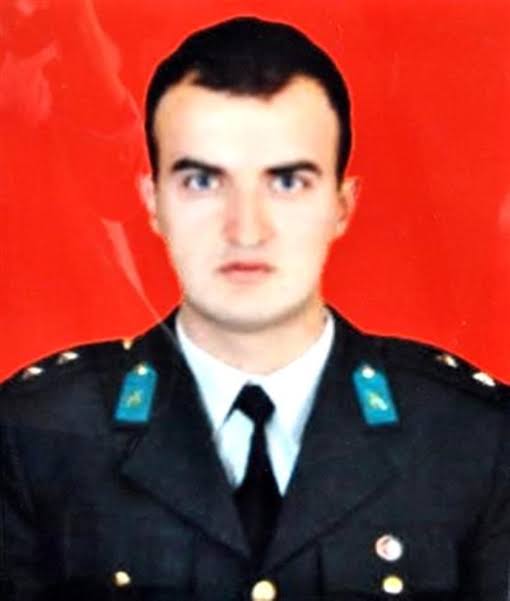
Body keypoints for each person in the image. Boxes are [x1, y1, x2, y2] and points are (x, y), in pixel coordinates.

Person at [1, 16, 509, 601]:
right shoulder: (34, 436)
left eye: (288, 182)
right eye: (202, 181)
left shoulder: (475, 438)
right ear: (153, 201)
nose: (245, 230)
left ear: (342, 206)